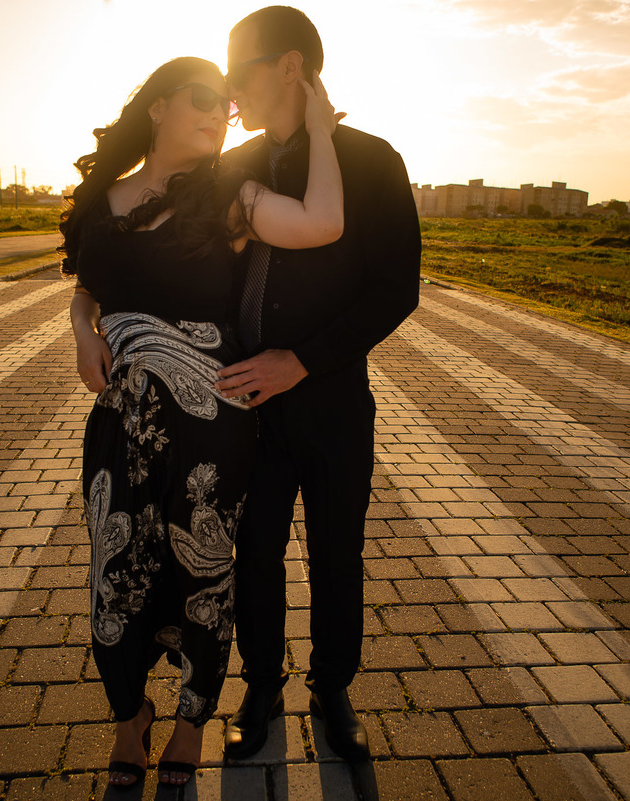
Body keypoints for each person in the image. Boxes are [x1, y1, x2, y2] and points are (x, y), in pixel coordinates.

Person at [63, 56, 344, 788]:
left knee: (204, 571)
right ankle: (131, 717)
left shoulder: (227, 195)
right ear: (156, 107)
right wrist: (81, 326)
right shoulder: (104, 196)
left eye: (226, 104)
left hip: (211, 420)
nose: (218, 111)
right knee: (114, 572)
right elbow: (89, 284)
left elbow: (322, 223)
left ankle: (190, 723)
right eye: (200, 98)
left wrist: (318, 126)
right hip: (120, 421)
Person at [214, 7, 421, 763]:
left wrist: (300, 360)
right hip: (247, 405)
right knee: (254, 550)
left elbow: (396, 289)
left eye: (242, 74)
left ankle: (332, 688)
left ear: (291, 66)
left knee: (337, 551)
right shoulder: (231, 165)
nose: (232, 94)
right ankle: (261, 685)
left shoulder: (371, 161)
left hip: (333, 402)